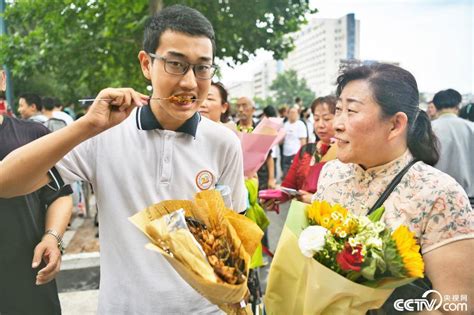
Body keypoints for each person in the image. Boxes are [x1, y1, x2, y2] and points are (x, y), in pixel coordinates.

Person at [0, 5, 247, 314]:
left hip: (205, 310)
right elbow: (5, 184)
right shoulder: (103, 134)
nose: (189, 82)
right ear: (146, 64)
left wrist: (236, 285)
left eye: (202, 68)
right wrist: (87, 126)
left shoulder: (223, 142)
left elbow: (234, 227)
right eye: (175, 64)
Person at [311, 63, 473, 312]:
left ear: (396, 125)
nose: (337, 124)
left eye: (351, 111)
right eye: (339, 109)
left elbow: (457, 306)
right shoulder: (331, 174)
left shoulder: (440, 194)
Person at [0, 70, 73, 314]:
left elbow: (59, 194)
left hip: (28, 279)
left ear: (1, 79)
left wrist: (52, 238)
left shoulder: (33, 136)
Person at [262, 96, 337, 210]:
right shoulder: (306, 150)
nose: (320, 125)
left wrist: (314, 200)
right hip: (301, 218)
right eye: (316, 119)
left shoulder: (348, 154)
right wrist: (275, 197)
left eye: (326, 119)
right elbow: (289, 186)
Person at [431, 89, 474, 207]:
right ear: (457, 106)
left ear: (435, 106)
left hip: (438, 197)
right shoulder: (471, 127)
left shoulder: (429, 129)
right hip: (470, 197)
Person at [281, 106, 307, 177]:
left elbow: (303, 141)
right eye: (291, 112)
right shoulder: (285, 125)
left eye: (295, 112)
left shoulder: (300, 124)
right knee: (285, 174)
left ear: (297, 114)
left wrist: (302, 155)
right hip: (285, 153)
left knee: (294, 174)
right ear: (288, 114)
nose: (293, 114)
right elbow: (282, 140)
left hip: (295, 153)